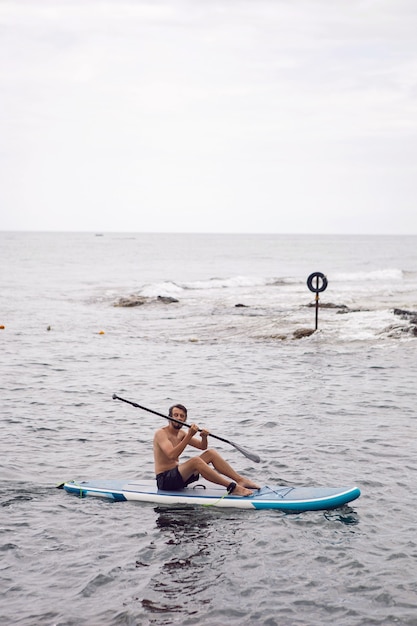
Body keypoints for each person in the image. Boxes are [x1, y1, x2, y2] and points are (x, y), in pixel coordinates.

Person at [153, 403, 260, 497]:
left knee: (211, 453)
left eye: (182, 416)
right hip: (165, 481)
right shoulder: (161, 433)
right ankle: (232, 487)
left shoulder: (181, 434)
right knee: (195, 461)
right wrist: (189, 435)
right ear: (169, 417)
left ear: (185, 420)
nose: (179, 418)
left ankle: (240, 480)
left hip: (179, 478)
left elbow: (202, 447)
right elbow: (172, 455)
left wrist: (204, 437)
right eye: (176, 415)